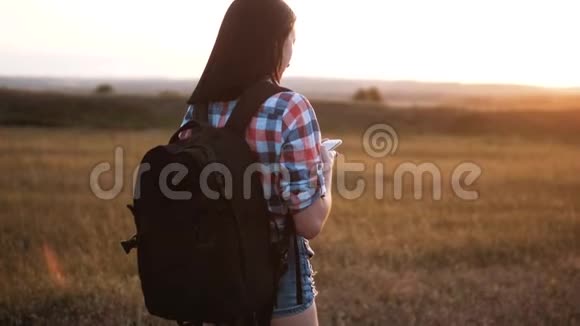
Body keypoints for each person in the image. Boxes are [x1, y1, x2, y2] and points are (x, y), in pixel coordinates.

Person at [179, 0, 335, 324]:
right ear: (275, 42)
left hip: (211, 271)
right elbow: (309, 224)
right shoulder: (291, 107)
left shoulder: (199, 110)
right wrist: (327, 176)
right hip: (279, 273)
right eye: (292, 38)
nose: (293, 50)